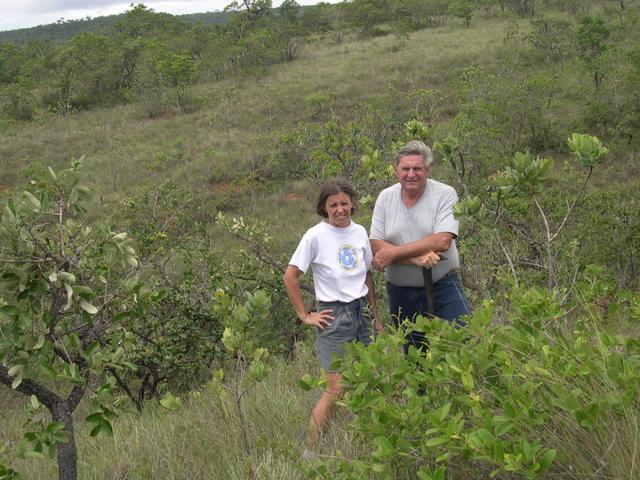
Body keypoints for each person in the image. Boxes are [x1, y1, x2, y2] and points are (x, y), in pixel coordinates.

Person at [283, 178, 382, 449]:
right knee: (335, 389)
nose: (340, 210)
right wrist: (305, 315)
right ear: (324, 208)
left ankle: (368, 442)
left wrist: (377, 317)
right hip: (334, 316)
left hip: (361, 312)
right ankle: (311, 450)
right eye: (333, 205)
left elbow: (368, 276)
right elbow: (290, 276)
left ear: (352, 205)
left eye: (345, 204)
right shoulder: (315, 236)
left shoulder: (360, 231)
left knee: (369, 379)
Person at [370, 140, 471, 351]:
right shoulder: (385, 198)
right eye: (405, 169)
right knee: (415, 356)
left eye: (417, 168)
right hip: (400, 292)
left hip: (442, 284)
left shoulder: (445, 194)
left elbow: (442, 240)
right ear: (396, 170)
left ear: (428, 169)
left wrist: (395, 253)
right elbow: (376, 244)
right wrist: (415, 259)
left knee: (464, 341)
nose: (411, 174)